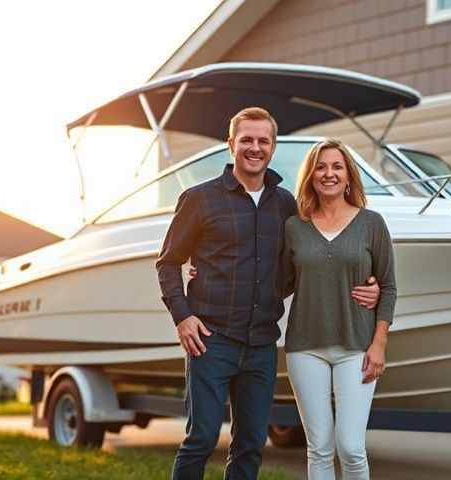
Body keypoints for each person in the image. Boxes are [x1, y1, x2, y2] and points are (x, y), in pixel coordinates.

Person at [155, 107, 380, 480]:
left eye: (263, 141)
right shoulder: (200, 199)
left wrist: (366, 286)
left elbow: (307, 266)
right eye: (247, 140)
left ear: (273, 147)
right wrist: (183, 316)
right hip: (211, 340)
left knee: (251, 444)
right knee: (202, 437)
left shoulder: (286, 206)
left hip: (261, 344)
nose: (255, 148)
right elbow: (168, 263)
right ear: (231, 145)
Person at [283, 139, 397, 480]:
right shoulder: (294, 227)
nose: (328, 173)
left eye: (336, 166)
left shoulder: (372, 223)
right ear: (310, 176)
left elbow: (388, 286)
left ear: (349, 176)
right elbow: (277, 282)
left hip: (357, 349)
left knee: (351, 447)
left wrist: (379, 344)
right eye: (321, 166)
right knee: (318, 448)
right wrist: (210, 270)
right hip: (305, 348)